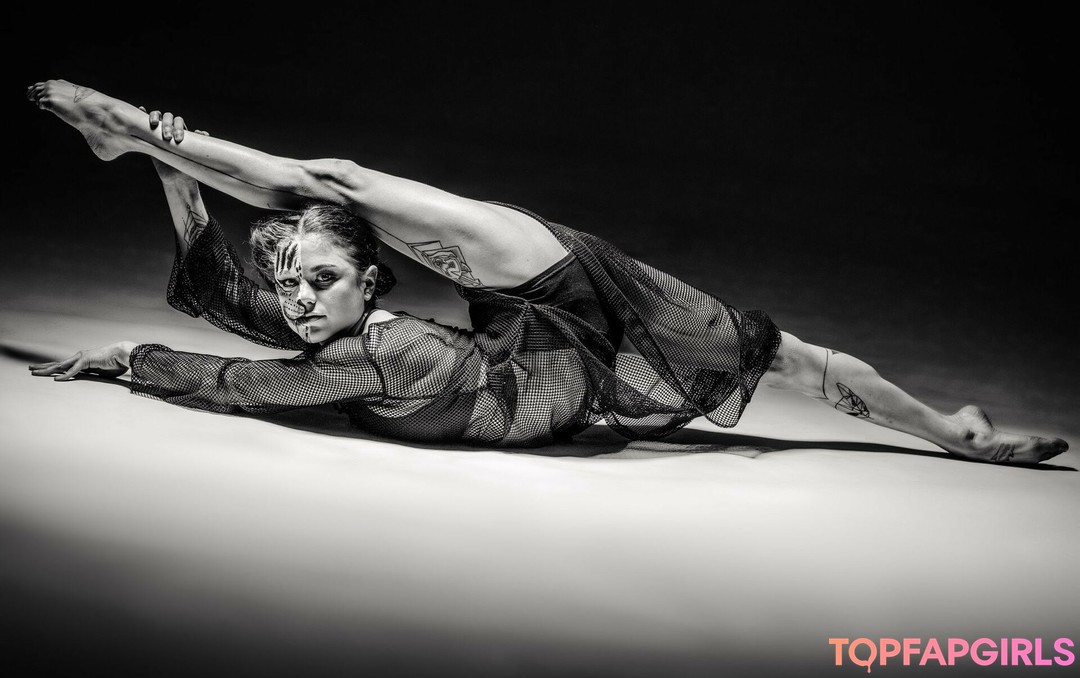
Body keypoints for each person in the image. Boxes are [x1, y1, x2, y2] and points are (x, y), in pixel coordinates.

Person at [25, 79, 1068, 463]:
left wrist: (160, 163)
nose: (298, 301)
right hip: (533, 338)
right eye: (296, 284)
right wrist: (168, 175)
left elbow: (239, 359)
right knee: (780, 355)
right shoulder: (370, 343)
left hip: (546, 290)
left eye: (319, 280)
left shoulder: (368, 338)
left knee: (779, 353)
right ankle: (140, 134)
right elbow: (239, 334)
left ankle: (954, 433)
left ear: (371, 279)